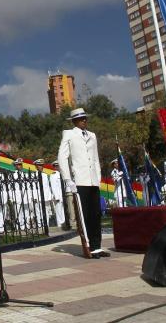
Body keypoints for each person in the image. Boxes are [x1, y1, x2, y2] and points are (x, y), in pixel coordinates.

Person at [57, 107, 109, 259]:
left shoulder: (92, 135)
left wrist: (98, 177)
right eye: (80, 119)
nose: (84, 121)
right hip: (80, 180)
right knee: (84, 215)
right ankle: (88, 247)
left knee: (95, 214)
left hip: (92, 180)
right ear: (74, 121)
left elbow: (95, 158)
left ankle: (97, 247)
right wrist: (68, 179)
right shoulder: (69, 134)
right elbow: (62, 157)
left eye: (85, 118)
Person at [48, 161, 66, 227]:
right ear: (54, 167)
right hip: (58, 195)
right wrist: (56, 196)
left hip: (62, 195)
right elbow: (53, 187)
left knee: (63, 209)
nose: (57, 167)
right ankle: (59, 223)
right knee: (58, 210)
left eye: (58, 166)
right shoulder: (53, 175)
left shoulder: (61, 174)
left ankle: (64, 222)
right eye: (56, 166)